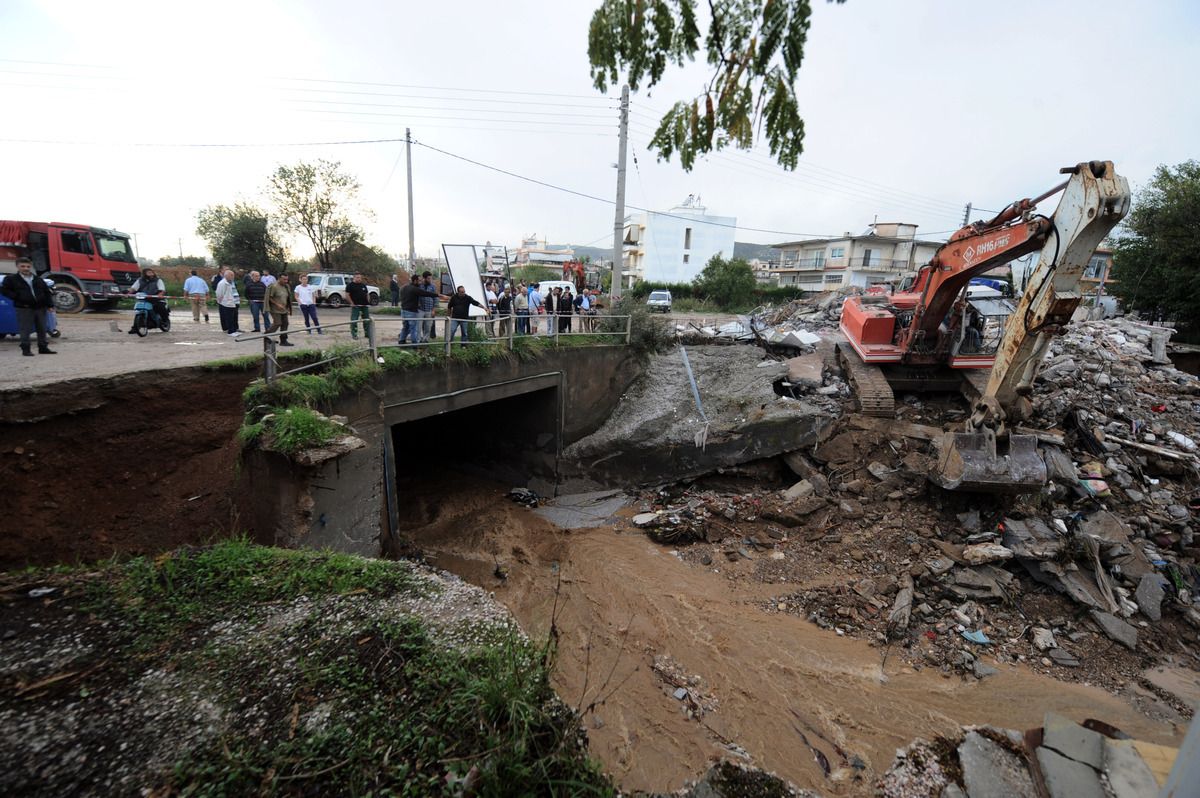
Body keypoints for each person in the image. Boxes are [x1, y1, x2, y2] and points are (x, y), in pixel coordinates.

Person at [1, 256, 56, 356]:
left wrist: (50, 305)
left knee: (42, 329)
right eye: (23, 266)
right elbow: (4, 290)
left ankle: (43, 347)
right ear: (17, 266)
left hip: (40, 308)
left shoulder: (37, 279)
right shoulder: (11, 279)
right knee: (25, 330)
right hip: (24, 308)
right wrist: (18, 297)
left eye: (28, 266)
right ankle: (26, 349)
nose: (26, 268)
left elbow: (46, 293)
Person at [126, 267, 169, 333]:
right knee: (139, 309)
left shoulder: (158, 280)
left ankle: (165, 320)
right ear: (144, 274)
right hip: (144, 298)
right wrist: (128, 293)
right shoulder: (140, 280)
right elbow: (133, 288)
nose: (151, 274)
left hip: (156, 299)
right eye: (149, 273)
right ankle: (135, 327)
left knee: (160, 307)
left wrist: (159, 295)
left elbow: (162, 290)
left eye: (152, 273)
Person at [265, 272, 294, 346]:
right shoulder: (274, 286)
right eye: (284, 279)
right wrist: (277, 304)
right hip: (275, 309)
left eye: (287, 279)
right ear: (279, 279)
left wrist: (288, 308)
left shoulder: (286, 286)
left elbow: (287, 298)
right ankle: (267, 336)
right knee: (277, 322)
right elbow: (269, 297)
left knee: (285, 324)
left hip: (284, 309)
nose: (286, 281)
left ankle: (283, 340)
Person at [215, 269, 241, 336]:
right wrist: (220, 301)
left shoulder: (232, 282)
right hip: (228, 303)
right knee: (230, 318)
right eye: (231, 275)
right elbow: (219, 294)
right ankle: (231, 331)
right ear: (226, 275)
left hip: (235, 303)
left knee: (235, 317)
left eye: (233, 275)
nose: (233, 276)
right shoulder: (222, 283)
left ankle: (235, 330)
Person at [347, 272, 371, 340]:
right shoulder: (350, 285)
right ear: (354, 277)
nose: (359, 279)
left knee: (366, 320)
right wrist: (352, 303)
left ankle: (367, 333)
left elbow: (367, 294)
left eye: (360, 277)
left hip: (364, 306)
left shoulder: (363, 285)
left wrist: (367, 302)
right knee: (354, 320)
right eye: (357, 277)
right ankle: (354, 334)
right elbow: (347, 294)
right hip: (356, 306)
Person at [418, 271, 439, 342]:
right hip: (420, 309)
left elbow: (435, 297)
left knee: (428, 326)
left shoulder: (432, 286)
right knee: (419, 325)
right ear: (424, 278)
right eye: (428, 278)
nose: (430, 280)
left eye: (430, 278)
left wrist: (434, 309)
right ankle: (417, 340)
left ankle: (426, 339)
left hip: (429, 309)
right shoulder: (419, 285)